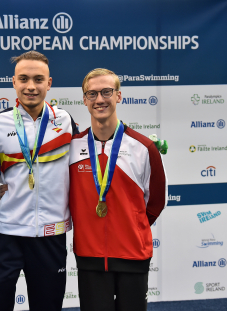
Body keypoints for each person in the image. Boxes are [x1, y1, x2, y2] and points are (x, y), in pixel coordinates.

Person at [0, 51, 79, 311]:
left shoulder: (65, 121)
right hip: (7, 232)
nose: (31, 86)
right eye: (24, 79)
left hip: (50, 234)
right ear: (14, 82)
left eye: (38, 79)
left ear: (49, 83)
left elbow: (82, 168)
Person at [69, 68, 167, 311]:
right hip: (89, 257)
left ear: (119, 96)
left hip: (132, 255)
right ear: (84, 99)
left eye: (106, 92)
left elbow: (155, 202)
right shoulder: (72, 148)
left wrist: (132, 225)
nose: (99, 99)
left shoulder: (144, 147)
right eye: (92, 94)